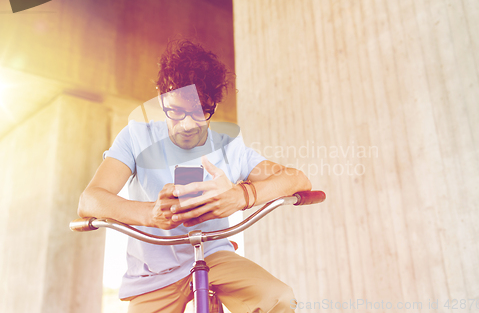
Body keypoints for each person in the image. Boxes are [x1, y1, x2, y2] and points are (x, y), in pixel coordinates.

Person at [78, 40, 312, 313]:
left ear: (213, 104)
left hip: (215, 257)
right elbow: (89, 200)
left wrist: (242, 196)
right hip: (154, 273)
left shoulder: (229, 146)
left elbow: (298, 179)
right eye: (176, 111)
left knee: (279, 299)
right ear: (161, 95)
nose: (188, 125)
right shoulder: (136, 137)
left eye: (201, 112)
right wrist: (149, 214)